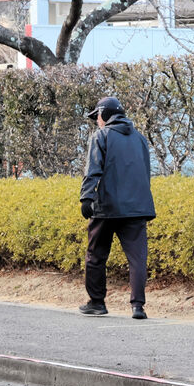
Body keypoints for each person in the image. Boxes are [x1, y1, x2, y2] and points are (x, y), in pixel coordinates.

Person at [78, 96, 157, 320]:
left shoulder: (101, 136)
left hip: (107, 206)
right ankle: (138, 306)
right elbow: (145, 174)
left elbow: (93, 169)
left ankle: (96, 302)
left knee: (96, 255)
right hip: (137, 208)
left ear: (104, 114)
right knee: (137, 258)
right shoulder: (140, 139)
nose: (96, 122)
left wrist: (86, 197)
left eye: (97, 117)